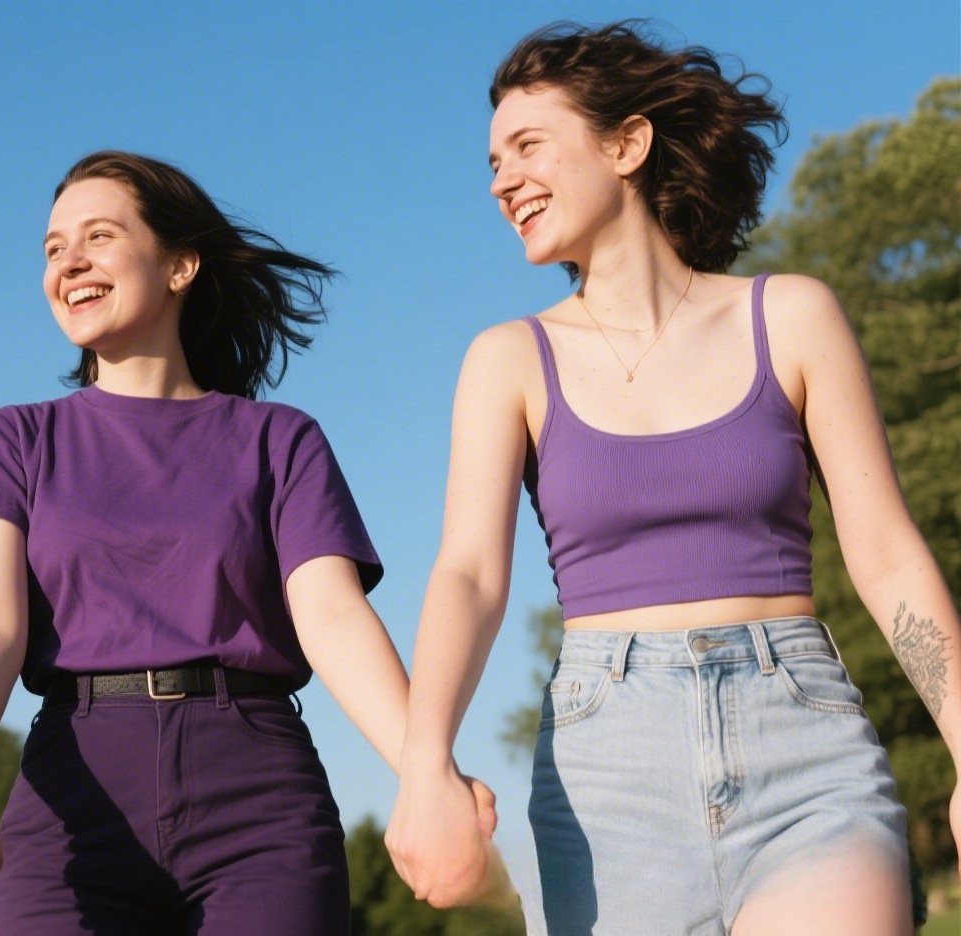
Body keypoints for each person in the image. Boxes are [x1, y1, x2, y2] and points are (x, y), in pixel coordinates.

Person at [391, 20, 961, 935]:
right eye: (492, 162)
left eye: (528, 145)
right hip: (605, 770)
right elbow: (470, 576)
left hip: (802, 745)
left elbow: (887, 552)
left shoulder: (791, 316)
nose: (502, 180)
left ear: (627, 143)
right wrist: (424, 765)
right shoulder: (509, 361)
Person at [0, 150, 495, 933]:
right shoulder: (15, 440)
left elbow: (332, 619)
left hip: (259, 797)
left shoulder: (280, 440)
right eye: (52, 248)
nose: (69, 262)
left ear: (180, 265)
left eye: (98, 236)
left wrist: (428, 771)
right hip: (73, 792)